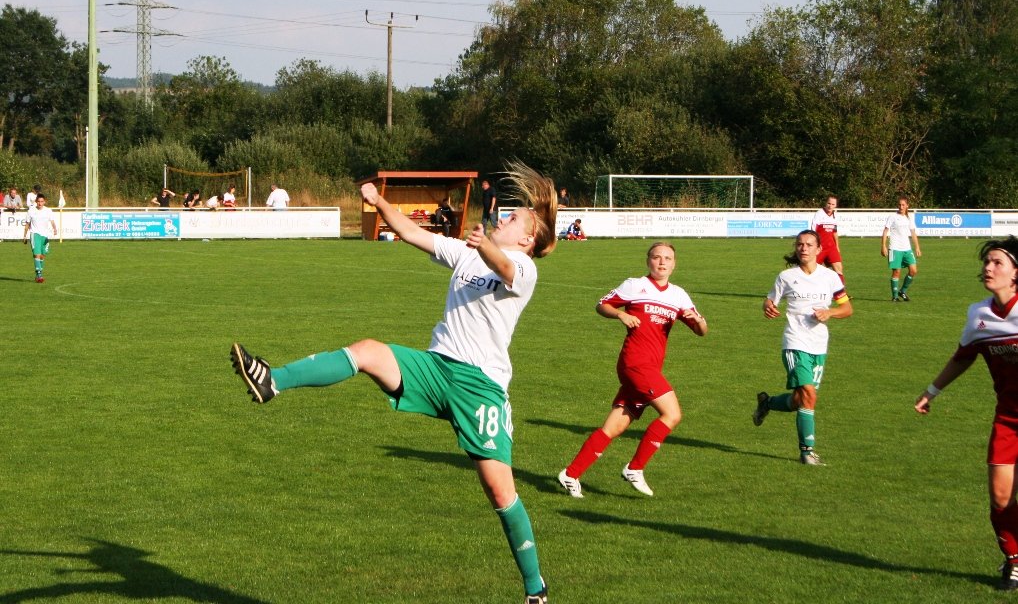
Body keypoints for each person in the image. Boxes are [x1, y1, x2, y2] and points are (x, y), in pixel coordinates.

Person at [230, 162, 558, 604]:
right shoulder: (466, 254)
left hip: (480, 386)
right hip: (436, 367)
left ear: (527, 239)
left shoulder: (522, 266)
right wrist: (380, 202)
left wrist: (484, 248)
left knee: (499, 490)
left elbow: (503, 266)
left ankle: (535, 589)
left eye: (514, 219)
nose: (505, 218)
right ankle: (272, 380)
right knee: (366, 350)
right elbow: (412, 233)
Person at [558, 242, 708, 499]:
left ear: (674, 264)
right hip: (635, 364)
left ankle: (570, 474)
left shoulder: (679, 295)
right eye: (656, 257)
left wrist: (700, 321)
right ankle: (635, 468)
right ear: (648, 261)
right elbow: (602, 305)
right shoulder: (635, 285)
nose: (662, 262)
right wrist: (620, 315)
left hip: (650, 366)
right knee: (672, 414)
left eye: (667, 258)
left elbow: (701, 331)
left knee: (614, 427)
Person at [915, 236, 1018, 591]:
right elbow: (963, 357)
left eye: (997, 263)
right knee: (1001, 497)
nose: (988, 268)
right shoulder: (979, 314)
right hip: (1009, 419)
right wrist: (931, 392)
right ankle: (1014, 561)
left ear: (1016, 273)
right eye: (986, 262)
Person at [753, 229, 853, 465]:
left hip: (819, 345)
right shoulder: (786, 277)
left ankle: (767, 403)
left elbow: (847, 308)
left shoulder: (831, 277)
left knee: (801, 400)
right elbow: (770, 300)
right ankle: (807, 452)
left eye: (809, 244)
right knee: (809, 395)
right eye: (800, 244)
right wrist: (767, 306)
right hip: (795, 342)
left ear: (819, 250)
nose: (804, 248)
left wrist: (830, 312)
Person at [881, 195, 921, 302]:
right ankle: (894, 296)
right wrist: (883, 246)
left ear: (907, 206)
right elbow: (885, 231)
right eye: (899, 204)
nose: (901, 206)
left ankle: (902, 291)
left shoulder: (909, 218)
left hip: (907, 249)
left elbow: (913, 233)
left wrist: (917, 247)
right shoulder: (892, 217)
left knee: (913, 270)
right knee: (896, 272)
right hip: (894, 248)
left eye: (903, 205)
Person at [23, 192, 57, 283]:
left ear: (44, 202)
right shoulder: (31, 211)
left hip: (44, 235)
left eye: (41, 201)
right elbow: (27, 224)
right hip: (35, 234)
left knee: (42, 255)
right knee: (36, 254)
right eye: (38, 201)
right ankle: (39, 275)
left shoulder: (48, 211)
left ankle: (38, 273)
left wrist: (55, 229)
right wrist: (25, 236)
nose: (40, 203)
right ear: (36, 201)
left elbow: (52, 221)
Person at [810, 194, 844, 282]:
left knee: (839, 269)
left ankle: (842, 295)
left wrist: (837, 246)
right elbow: (813, 231)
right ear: (826, 203)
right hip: (820, 247)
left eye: (833, 204)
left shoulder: (835, 216)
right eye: (829, 203)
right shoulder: (819, 214)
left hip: (831, 247)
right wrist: (815, 245)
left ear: (836, 205)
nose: (830, 206)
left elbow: (834, 232)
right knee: (811, 270)